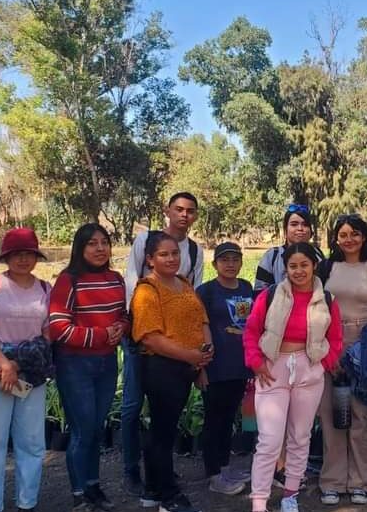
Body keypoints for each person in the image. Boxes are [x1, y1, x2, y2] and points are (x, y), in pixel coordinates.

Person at [244, 242, 343, 512]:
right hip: (272, 369)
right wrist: (255, 362)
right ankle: (259, 501)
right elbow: (251, 331)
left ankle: (290, 494)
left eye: (304, 265)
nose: (299, 271)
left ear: (314, 266)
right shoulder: (271, 295)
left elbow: (335, 339)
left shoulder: (327, 300)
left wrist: (323, 364)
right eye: (293, 266)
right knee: (269, 440)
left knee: (300, 437)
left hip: (308, 369)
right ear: (285, 268)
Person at [121, 191, 204, 495]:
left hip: (178, 349)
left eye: (190, 211)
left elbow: (192, 297)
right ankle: (133, 471)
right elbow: (132, 279)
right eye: (179, 209)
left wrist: (192, 348)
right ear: (167, 210)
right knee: (131, 407)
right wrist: (143, 326)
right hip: (146, 338)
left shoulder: (194, 251)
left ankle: (159, 474)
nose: (184, 215)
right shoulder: (146, 241)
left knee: (166, 417)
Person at [0, 227, 52, 512]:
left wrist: (18, 363)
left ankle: (27, 503)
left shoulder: (44, 289)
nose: (23, 260)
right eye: (16, 254)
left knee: (32, 441)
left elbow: (47, 333)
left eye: (29, 254)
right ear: (6, 257)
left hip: (28, 369)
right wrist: (4, 364)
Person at [130, 231, 213, 512]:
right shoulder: (147, 291)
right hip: (162, 368)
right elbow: (150, 337)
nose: (171, 259)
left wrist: (202, 357)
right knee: (163, 433)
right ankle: (168, 495)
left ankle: (153, 488)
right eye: (163, 254)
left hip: (188, 367)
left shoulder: (184, 283)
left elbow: (201, 319)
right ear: (150, 259)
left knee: (164, 429)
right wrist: (190, 355)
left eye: (175, 253)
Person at [48, 224, 128, 511]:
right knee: (82, 430)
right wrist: (98, 336)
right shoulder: (69, 280)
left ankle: (93, 486)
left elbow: (123, 315)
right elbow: (57, 327)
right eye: (92, 243)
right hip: (75, 364)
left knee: (96, 427)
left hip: (106, 363)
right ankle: (79, 493)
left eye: (104, 242)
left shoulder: (115, 279)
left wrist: (120, 327)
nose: (99, 248)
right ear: (80, 248)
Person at [316, 214, 367, 506]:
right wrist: (327, 351)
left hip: (365, 347)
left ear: (364, 237)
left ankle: (359, 482)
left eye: (355, 234)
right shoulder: (326, 268)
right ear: (335, 238)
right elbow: (316, 308)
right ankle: (332, 481)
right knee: (331, 413)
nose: (349, 239)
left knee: (361, 416)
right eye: (343, 234)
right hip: (330, 344)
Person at [195, 242, 255, 496]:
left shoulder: (246, 287)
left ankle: (225, 465)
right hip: (216, 367)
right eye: (224, 260)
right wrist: (200, 368)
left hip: (240, 366)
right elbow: (198, 328)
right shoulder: (206, 291)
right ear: (215, 264)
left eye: (234, 259)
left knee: (230, 417)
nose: (230, 264)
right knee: (214, 420)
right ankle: (213, 474)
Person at [253, 204, 325, 292]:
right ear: (285, 229)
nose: (300, 228)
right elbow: (259, 292)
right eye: (294, 224)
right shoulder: (272, 256)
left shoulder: (318, 254)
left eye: (305, 224)